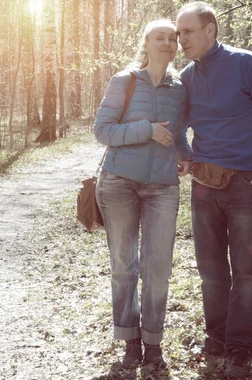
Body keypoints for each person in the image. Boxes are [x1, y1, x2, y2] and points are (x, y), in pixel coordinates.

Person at [176, 2, 252, 378]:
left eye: (187, 31)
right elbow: (176, 125)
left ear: (211, 30)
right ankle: (217, 339)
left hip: (247, 184)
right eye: (178, 33)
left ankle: (241, 348)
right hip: (205, 186)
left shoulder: (248, 64)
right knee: (210, 271)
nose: (181, 39)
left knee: (246, 271)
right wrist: (187, 156)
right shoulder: (187, 76)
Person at [94, 19, 193, 368]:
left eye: (172, 38)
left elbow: (177, 133)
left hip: (163, 186)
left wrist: (186, 154)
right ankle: (129, 338)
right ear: (146, 44)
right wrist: (146, 130)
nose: (166, 43)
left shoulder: (181, 86)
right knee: (124, 265)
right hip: (120, 181)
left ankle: (153, 340)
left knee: (158, 267)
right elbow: (102, 131)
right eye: (159, 38)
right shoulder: (125, 81)